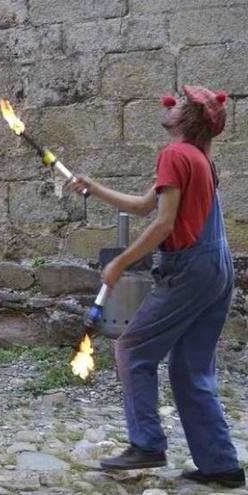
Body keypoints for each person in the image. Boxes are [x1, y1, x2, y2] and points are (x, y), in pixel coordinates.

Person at [67, 85, 245, 488]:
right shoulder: (197, 158)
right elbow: (145, 205)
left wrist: (119, 263)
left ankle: (147, 443)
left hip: (189, 269)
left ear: (189, 118)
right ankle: (221, 465)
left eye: (182, 102)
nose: (173, 102)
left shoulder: (174, 154)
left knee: (131, 348)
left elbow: (162, 224)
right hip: (216, 266)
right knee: (190, 368)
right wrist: (93, 187)